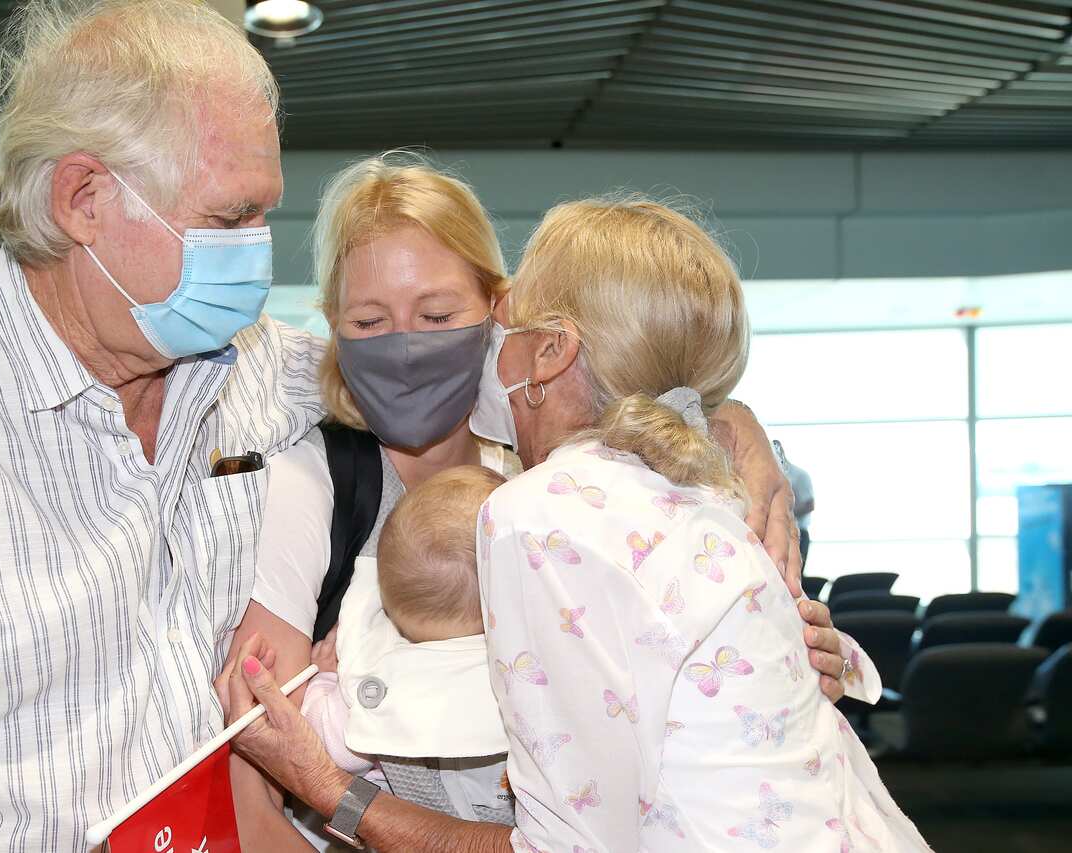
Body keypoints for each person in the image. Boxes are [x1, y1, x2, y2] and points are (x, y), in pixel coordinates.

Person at [221, 161, 876, 850]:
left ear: (500, 315)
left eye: (438, 315)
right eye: (367, 319)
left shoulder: (536, 489)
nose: (406, 346)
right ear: (333, 324)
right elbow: (257, 784)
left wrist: (771, 675)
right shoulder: (319, 483)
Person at [0, 3, 323, 850]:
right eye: (229, 220)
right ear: (83, 199)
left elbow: (409, 369)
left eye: (265, 215)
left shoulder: (247, 362)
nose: (258, 251)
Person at [299, 466, 512, 826]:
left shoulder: (379, 669)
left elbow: (332, 747)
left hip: (415, 823)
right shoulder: (534, 657)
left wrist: (325, 678)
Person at [775, 440, 815, 565]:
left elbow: (809, 505)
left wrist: (783, 512)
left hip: (798, 533)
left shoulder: (799, 475)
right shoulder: (766, 476)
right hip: (777, 531)